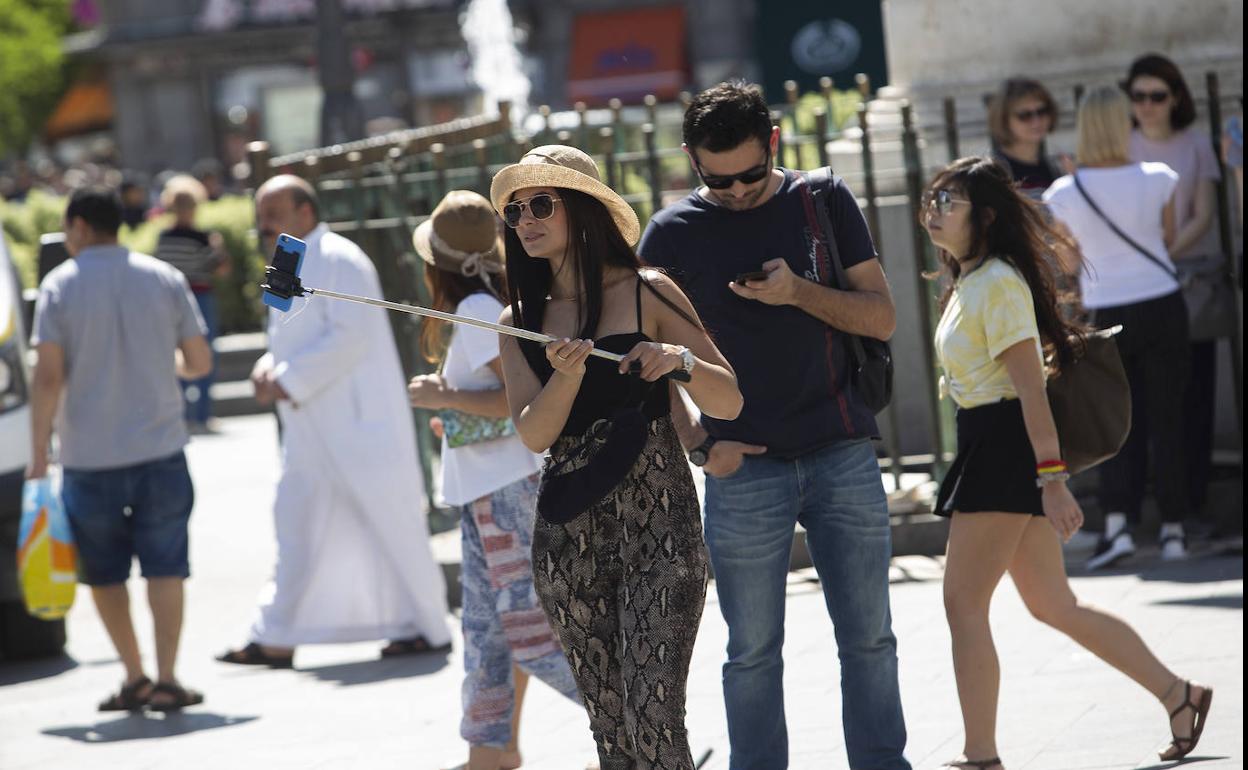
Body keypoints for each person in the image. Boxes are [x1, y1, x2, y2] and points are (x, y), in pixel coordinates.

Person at [637, 81, 910, 770]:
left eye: (750, 174)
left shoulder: (823, 200)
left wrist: (798, 293)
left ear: (775, 145)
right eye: (715, 178)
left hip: (842, 449)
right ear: (692, 161)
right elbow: (643, 363)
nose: (733, 190)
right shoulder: (670, 235)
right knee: (751, 652)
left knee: (869, 638)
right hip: (743, 466)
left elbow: (882, 317)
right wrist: (700, 443)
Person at [923, 155, 1213, 769]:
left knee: (963, 604)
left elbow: (1030, 388)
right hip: (992, 442)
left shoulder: (997, 282)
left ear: (988, 217)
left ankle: (980, 756)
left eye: (949, 202)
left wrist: (1053, 482)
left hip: (1002, 446)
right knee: (1054, 605)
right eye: (931, 200)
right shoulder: (971, 279)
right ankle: (1179, 695)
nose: (933, 211)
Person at [492, 145, 743, 770]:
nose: (526, 219)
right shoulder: (517, 321)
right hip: (570, 535)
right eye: (516, 210)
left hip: (661, 524)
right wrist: (567, 376)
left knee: (653, 719)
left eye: (542, 204)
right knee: (614, 736)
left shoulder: (647, 291)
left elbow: (731, 399)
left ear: (581, 210)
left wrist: (679, 364)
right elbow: (533, 433)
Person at [217, 175, 451, 667]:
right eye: (260, 222)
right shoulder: (288, 258)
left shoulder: (340, 257)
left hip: (357, 423)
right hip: (312, 427)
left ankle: (426, 627)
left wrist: (287, 379)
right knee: (294, 520)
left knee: (392, 524)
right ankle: (275, 634)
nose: (264, 229)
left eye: (272, 218)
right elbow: (279, 336)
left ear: (305, 212)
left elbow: (350, 336)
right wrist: (268, 370)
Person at [405, 190, 583, 770]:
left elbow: (513, 402)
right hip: (489, 490)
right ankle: (491, 752)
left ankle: (633, 729)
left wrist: (443, 395)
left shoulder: (477, 312)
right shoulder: (485, 308)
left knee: (531, 631)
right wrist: (454, 411)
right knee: (488, 634)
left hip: (507, 492)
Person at [28, 185, 213, 711]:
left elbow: (47, 378)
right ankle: (170, 678)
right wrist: (168, 369)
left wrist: (40, 453)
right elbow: (199, 363)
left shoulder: (59, 286)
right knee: (166, 567)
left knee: (105, 573)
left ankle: (133, 677)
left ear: (81, 227)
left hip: (89, 457)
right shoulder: (164, 278)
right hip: (161, 447)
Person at [1043, 86, 1191, 568]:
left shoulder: (1066, 192)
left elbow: (1068, 261)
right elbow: (1166, 238)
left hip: (1107, 310)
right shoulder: (1158, 177)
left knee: (1111, 420)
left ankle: (1118, 525)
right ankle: (1174, 529)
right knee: (1170, 417)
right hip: (1163, 300)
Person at [1124, 53, 1224, 538]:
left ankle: (1194, 504)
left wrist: (1163, 251)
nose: (1147, 105)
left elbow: (1204, 214)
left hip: (1187, 283)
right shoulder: (1122, 145)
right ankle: (1153, 510)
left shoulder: (1196, 144)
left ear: (1176, 98)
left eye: (1157, 95)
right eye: (1138, 96)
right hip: (1138, 287)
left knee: (1195, 399)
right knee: (1143, 405)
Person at [154, 174, 228, 431]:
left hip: (172, 301)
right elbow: (219, 269)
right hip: (200, 297)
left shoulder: (164, 238)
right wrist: (217, 249)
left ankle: (186, 414)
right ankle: (202, 414)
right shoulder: (202, 238)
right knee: (205, 352)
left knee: (180, 352)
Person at [988, 78, 1068, 197]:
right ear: (1004, 120)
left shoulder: (1056, 169)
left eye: (1041, 111)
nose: (1036, 121)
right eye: (1024, 115)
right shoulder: (993, 173)